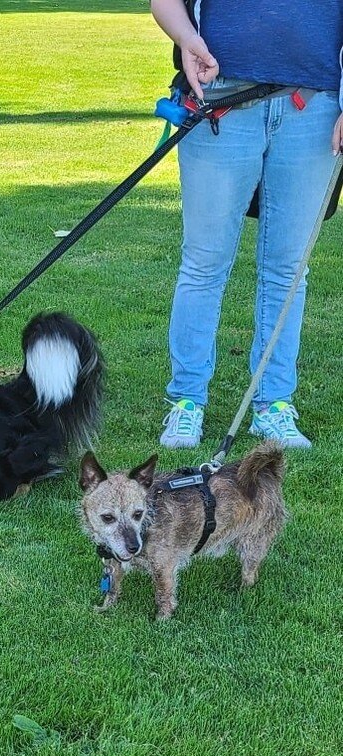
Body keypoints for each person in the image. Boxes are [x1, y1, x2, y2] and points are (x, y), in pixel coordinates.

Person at [150, 0, 343, 449]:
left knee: (289, 269)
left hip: (314, 109)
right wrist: (185, 38)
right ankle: (186, 402)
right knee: (203, 263)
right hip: (219, 101)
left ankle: (273, 404)